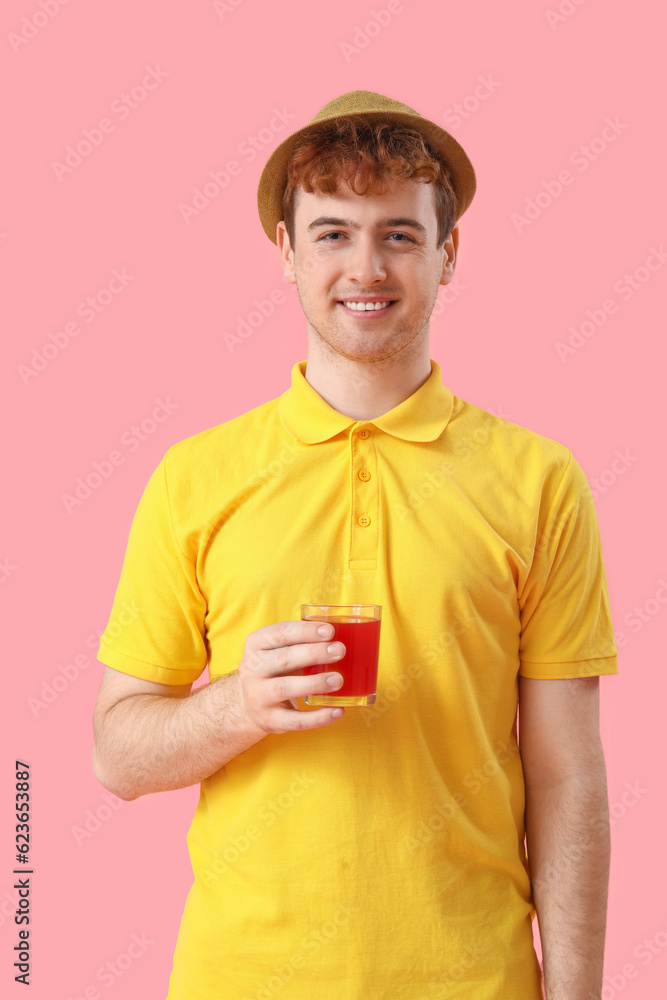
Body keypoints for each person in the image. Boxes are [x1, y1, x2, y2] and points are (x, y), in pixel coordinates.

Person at [92, 90, 619, 1000]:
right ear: (288, 255)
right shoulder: (196, 476)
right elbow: (118, 755)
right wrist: (238, 706)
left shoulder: (538, 480)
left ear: (446, 253)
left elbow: (568, 780)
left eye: (399, 235)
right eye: (332, 233)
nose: (365, 266)